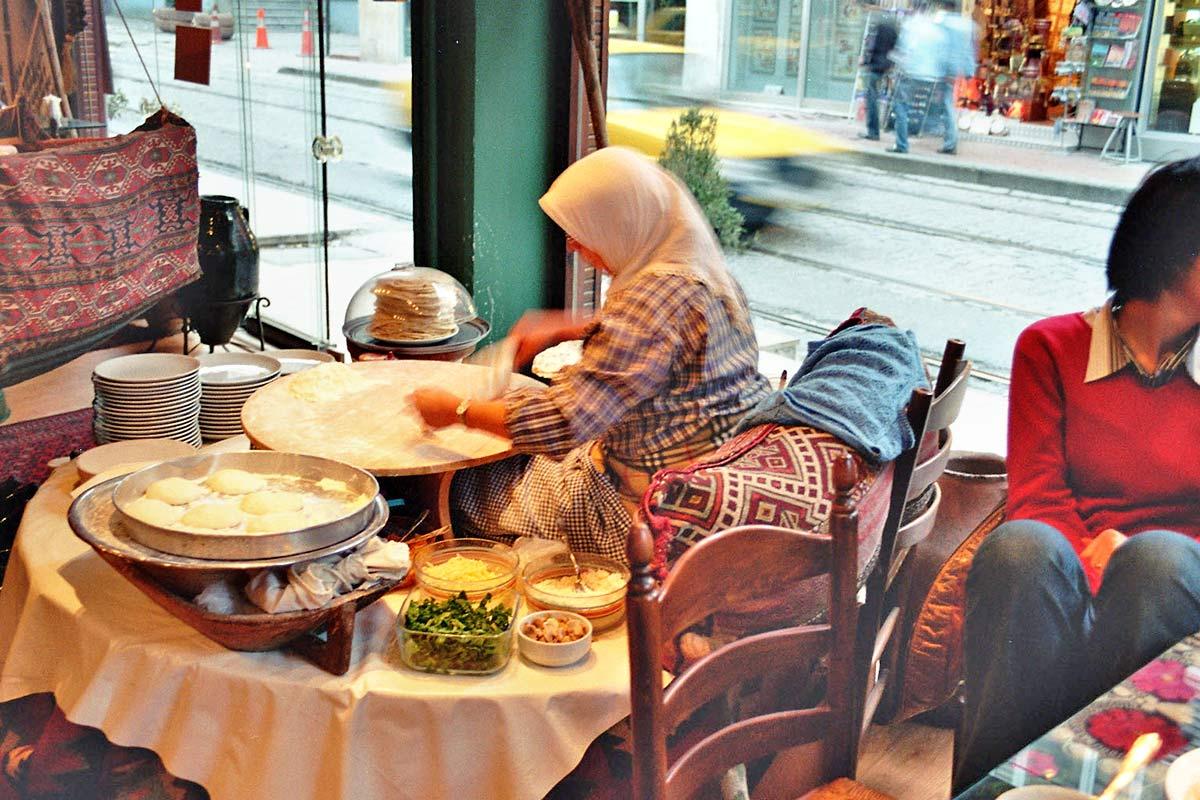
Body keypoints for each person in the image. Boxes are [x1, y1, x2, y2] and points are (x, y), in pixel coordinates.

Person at [954, 159, 1200, 790]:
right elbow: (1036, 498)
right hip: (1059, 580)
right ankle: (994, 789)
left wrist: (1131, 560)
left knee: (1158, 563)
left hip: (1176, 595)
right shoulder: (1050, 348)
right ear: (1181, 256)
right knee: (1021, 548)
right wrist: (1100, 566)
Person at [411, 146, 770, 560]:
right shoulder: (701, 270)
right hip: (714, 476)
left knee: (468, 490)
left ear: (623, 222)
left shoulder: (645, 304)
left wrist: (456, 410)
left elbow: (562, 424)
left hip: (652, 518)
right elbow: (669, 337)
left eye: (584, 229)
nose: (572, 244)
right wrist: (575, 324)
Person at [889, 0, 976, 155]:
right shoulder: (966, 25)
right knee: (945, 105)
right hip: (942, 72)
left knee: (933, 106)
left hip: (935, 71)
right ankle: (948, 140)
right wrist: (969, 71)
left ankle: (907, 142)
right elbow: (969, 50)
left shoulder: (940, 24)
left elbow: (936, 48)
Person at [860, 12, 899, 141]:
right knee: (878, 97)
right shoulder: (892, 26)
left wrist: (865, 61)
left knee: (871, 99)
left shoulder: (877, 25)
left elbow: (871, 47)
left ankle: (873, 131)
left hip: (875, 66)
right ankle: (881, 127)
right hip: (886, 65)